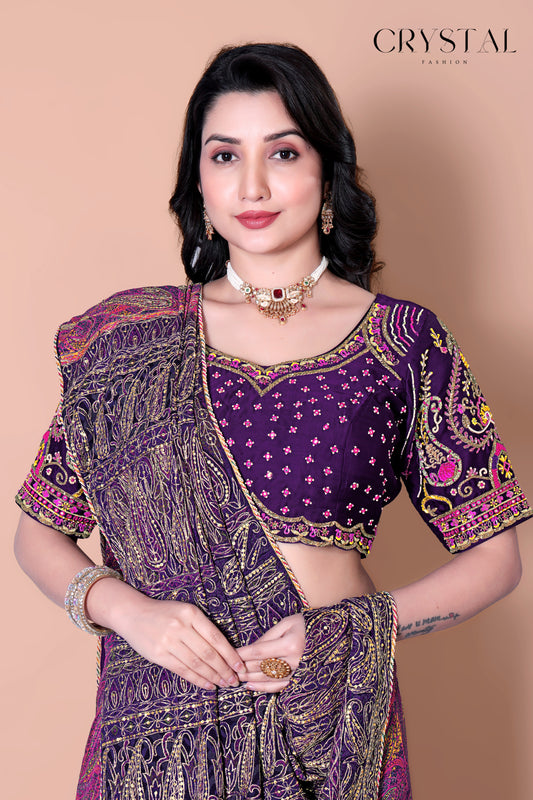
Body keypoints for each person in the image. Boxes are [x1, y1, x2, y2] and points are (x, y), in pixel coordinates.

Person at [14, 43, 531, 800]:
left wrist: (355, 631)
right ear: (199, 179)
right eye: (224, 156)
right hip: (158, 726)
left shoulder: (402, 341)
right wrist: (130, 614)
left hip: (330, 715)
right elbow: (38, 530)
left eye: (282, 152)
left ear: (327, 171)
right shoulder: (127, 345)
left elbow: (498, 557)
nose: (251, 185)